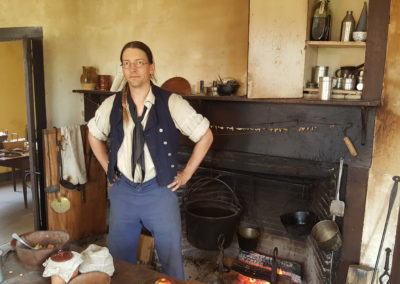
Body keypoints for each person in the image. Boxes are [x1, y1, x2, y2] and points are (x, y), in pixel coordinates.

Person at [87, 41, 213, 280]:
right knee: (119, 261)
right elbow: (93, 135)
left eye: (139, 63)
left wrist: (185, 175)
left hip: (159, 190)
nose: (133, 68)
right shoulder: (111, 104)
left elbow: (205, 136)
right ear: (122, 69)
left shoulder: (171, 102)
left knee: (171, 259)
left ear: (151, 67)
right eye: (127, 63)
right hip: (123, 191)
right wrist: (107, 167)